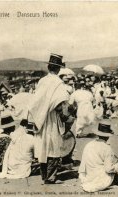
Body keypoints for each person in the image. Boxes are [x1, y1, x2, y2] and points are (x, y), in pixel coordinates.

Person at [28, 53, 72, 184]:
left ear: (49, 67)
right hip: (52, 118)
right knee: (53, 147)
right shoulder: (58, 83)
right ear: (58, 69)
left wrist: (39, 115)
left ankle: (44, 176)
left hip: (40, 118)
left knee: (43, 147)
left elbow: (35, 102)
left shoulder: (42, 81)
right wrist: (65, 118)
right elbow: (60, 104)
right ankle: (51, 177)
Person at [78, 120, 118, 192]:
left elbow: (83, 165)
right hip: (99, 178)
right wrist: (117, 166)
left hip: (88, 177)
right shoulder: (107, 148)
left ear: (98, 134)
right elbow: (108, 169)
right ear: (108, 136)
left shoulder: (89, 144)